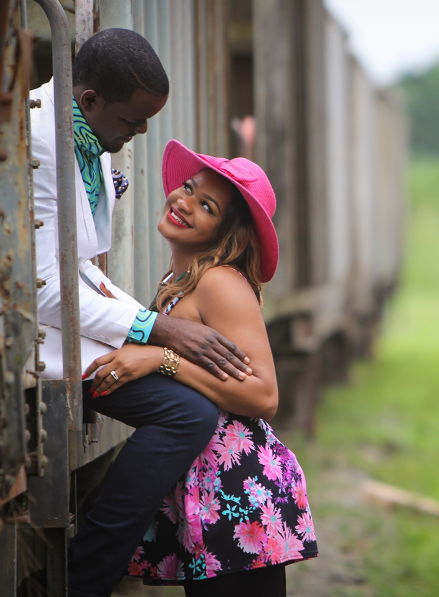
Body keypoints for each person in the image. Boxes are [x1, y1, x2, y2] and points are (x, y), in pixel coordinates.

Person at [29, 28, 252, 597]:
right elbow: (40, 287)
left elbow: (81, 264)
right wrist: (158, 329)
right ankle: (87, 576)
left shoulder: (86, 139)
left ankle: (93, 567)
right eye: (133, 120)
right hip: (35, 334)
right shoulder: (36, 137)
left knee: (190, 410)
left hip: (78, 325)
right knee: (187, 416)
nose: (141, 132)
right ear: (90, 102)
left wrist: (156, 345)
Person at [84, 140, 318, 596]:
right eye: (188, 188)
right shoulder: (181, 280)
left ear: (225, 233)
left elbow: (264, 395)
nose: (184, 202)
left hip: (238, 491)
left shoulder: (219, 283)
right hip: (207, 489)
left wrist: (162, 359)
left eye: (205, 205)